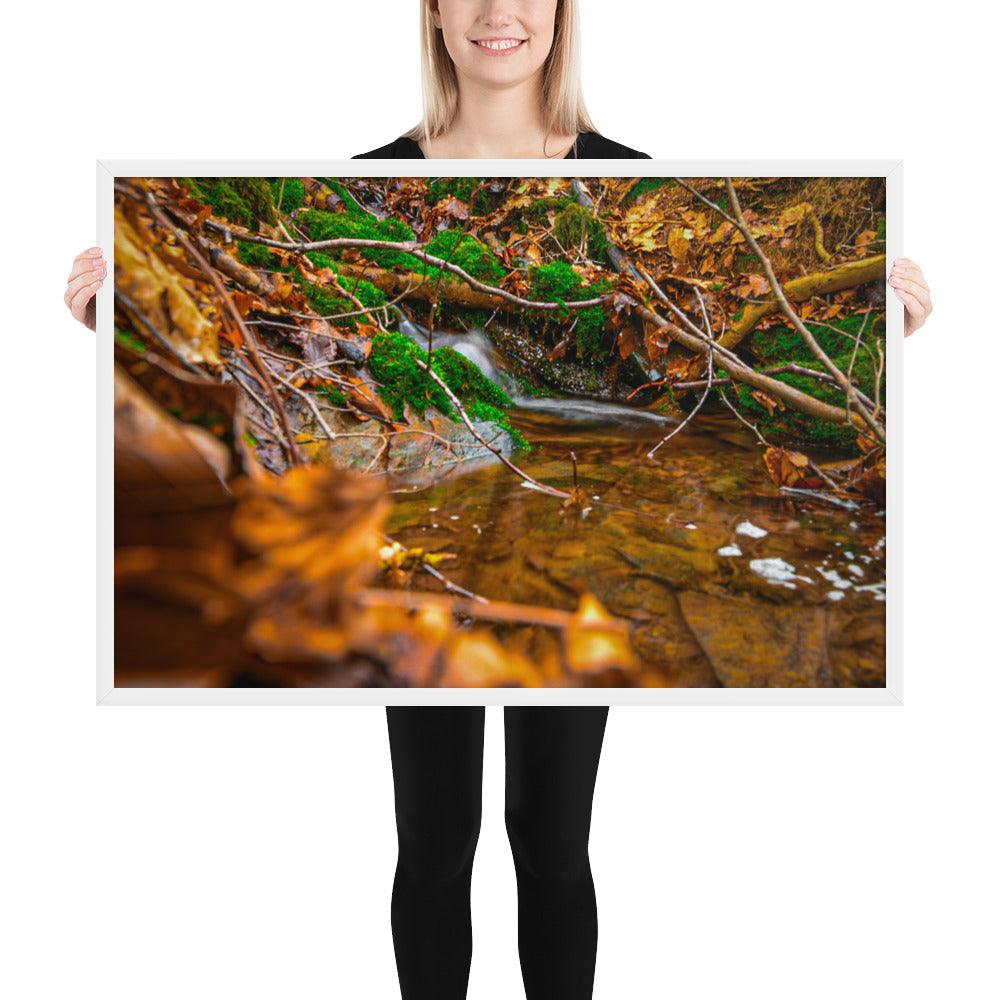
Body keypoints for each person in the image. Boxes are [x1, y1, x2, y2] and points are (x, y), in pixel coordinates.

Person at [65, 2, 933, 998]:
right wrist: (124, 321)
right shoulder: (367, 172)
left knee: (551, 840)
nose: (496, 13)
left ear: (563, 15)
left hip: (575, 531)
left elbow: (728, 359)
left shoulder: (622, 170)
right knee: (435, 842)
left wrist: (879, 342)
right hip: (425, 557)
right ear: (430, 14)